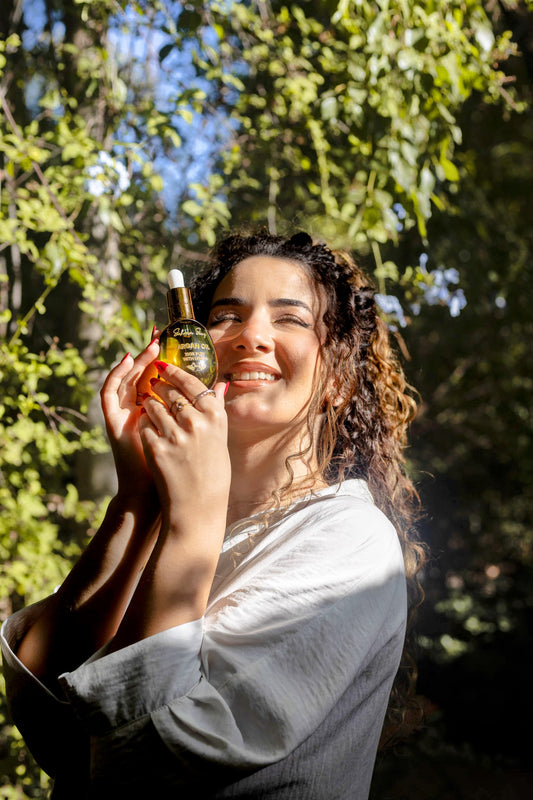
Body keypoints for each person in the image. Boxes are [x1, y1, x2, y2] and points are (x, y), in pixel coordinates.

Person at [1, 232, 424, 799]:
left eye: (291, 319)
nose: (251, 336)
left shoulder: (350, 539)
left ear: (338, 382)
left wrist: (190, 520)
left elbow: (151, 765)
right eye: (227, 315)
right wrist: (139, 499)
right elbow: (50, 722)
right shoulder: (171, 518)